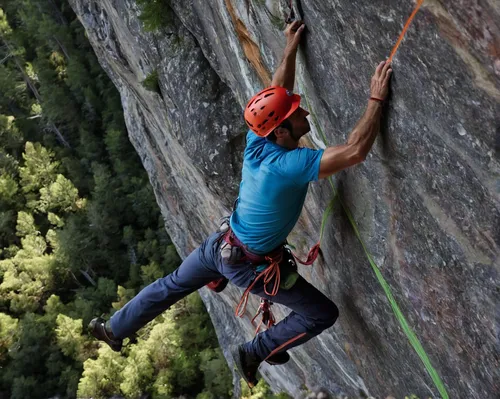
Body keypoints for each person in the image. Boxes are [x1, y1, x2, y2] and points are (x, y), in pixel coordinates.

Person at [89, 20, 392, 388]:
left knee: (170, 285)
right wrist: (376, 98)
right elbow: (356, 151)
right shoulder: (289, 166)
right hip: (248, 266)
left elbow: (277, 89)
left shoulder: (259, 139)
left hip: (220, 246)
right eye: (297, 114)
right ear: (280, 131)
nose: (306, 114)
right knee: (322, 314)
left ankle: (113, 328)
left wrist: (290, 47)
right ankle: (256, 349)